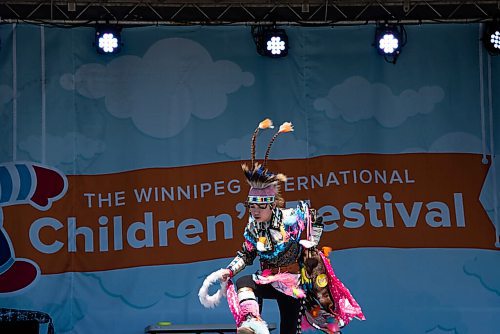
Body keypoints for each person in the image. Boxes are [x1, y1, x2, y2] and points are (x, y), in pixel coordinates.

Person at [199, 119, 364, 334]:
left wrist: (312, 241)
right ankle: (252, 322)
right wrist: (228, 270)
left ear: (271, 205)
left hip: (293, 285)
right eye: (252, 209)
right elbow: (246, 255)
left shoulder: (292, 220)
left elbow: (313, 237)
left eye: (259, 208)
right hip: (266, 279)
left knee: (289, 328)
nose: (255, 213)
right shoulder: (253, 228)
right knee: (243, 281)